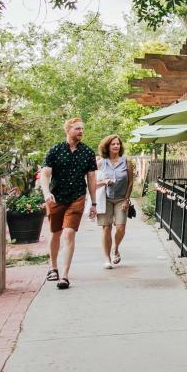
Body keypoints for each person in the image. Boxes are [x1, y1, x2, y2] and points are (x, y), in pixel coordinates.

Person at [39, 117, 98, 290]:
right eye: (77, 128)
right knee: (55, 233)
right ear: (68, 130)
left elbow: (92, 178)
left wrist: (94, 203)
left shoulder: (87, 152)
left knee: (69, 233)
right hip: (56, 197)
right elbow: (45, 174)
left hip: (77, 197)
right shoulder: (55, 150)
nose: (81, 131)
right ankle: (53, 267)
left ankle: (64, 275)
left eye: (82, 129)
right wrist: (46, 193)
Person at [95, 134, 134, 268]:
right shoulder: (100, 163)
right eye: (113, 144)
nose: (116, 146)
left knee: (121, 227)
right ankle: (107, 258)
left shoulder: (126, 161)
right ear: (107, 146)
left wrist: (126, 200)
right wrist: (105, 181)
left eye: (118, 144)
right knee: (106, 227)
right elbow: (93, 183)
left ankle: (116, 248)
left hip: (121, 199)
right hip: (104, 198)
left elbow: (130, 182)